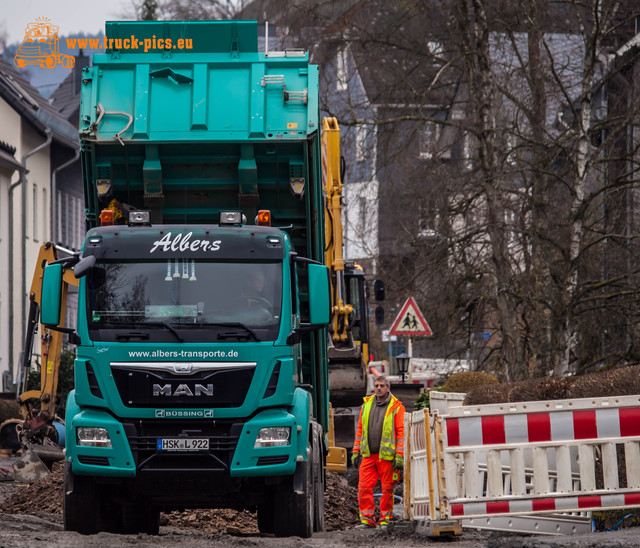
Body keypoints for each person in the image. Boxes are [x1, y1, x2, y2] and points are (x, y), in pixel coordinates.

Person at [351, 375, 405, 529]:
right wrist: (356, 451)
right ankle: (367, 520)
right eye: (377, 385)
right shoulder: (366, 405)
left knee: (387, 489)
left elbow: (401, 433)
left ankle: (385, 519)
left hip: (387, 457)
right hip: (368, 455)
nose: (379, 388)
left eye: (382, 385)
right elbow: (360, 431)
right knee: (363, 488)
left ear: (388, 388)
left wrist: (399, 456)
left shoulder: (397, 408)